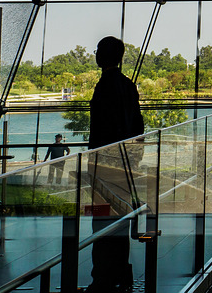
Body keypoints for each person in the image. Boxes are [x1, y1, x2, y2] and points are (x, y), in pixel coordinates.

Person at [86, 36, 144, 293]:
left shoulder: (104, 86)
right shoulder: (128, 86)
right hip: (124, 164)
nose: (96, 54)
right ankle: (121, 272)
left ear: (104, 56)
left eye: (98, 50)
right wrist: (134, 157)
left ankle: (103, 278)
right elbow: (137, 125)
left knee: (101, 222)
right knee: (121, 218)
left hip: (104, 165)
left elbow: (100, 129)